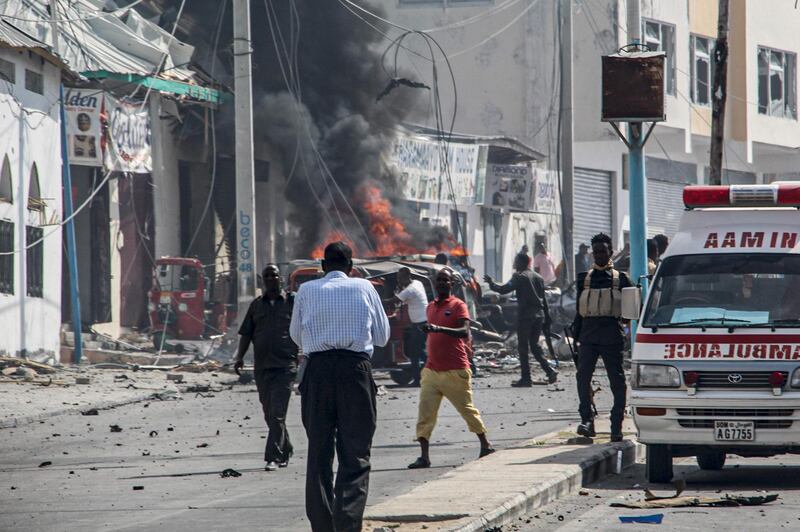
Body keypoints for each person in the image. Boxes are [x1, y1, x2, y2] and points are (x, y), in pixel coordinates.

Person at [290, 242, 391, 532]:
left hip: (317, 372)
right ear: (351, 267)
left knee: (319, 452)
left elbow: (296, 335)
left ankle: (322, 526)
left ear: (323, 266)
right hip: (355, 371)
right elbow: (382, 336)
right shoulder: (365, 287)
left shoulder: (307, 291)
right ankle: (347, 524)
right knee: (356, 453)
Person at [408, 268, 494, 469]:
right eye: (438, 280)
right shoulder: (430, 307)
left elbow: (464, 330)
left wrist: (439, 329)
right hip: (431, 370)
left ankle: (485, 444)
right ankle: (424, 457)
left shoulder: (458, 305)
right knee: (425, 414)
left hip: (455, 369)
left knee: (467, 410)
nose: (441, 284)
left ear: (451, 284)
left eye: (445, 280)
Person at [235, 264, 298, 471]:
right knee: (269, 413)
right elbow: (247, 333)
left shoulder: (292, 302)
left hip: (285, 365)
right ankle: (286, 448)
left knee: (277, 413)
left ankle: (272, 456)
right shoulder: (256, 306)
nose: (271, 279)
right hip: (262, 366)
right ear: (263, 280)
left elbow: (306, 327)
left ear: (281, 279)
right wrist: (239, 358)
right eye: (267, 276)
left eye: (274, 275)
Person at [572, 233, 631, 443]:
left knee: (617, 382)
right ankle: (587, 421)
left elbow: (632, 311)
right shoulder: (583, 279)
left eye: (603, 251)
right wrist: (575, 333)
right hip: (588, 335)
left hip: (611, 336)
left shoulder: (621, 279)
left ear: (610, 252)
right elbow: (579, 312)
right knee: (582, 378)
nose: (599, 255)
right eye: (595, 252)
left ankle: (616, 426)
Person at [485, 253, 557, 386]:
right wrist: (547, 318)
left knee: (523, 347)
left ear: (521, 263)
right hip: (539, 315)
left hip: (526, 317)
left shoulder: (519, 276)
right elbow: (544, 300)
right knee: (534, 346)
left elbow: (503, 289)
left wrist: (491, 283)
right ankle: (549, 370)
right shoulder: (538, 277)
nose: (514, 265)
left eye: (516, 262)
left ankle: (526, 378)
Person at [390, 267, 429, 386]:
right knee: (419, 352)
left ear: (407, 276)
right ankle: (424, 377)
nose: (399, 280)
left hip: (419, 324)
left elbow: (394, 300)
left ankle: (421, 379)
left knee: (416, 353)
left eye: (400, 278)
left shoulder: (410, 290)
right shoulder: (418, 283)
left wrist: (377, 301)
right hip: (421, 322)